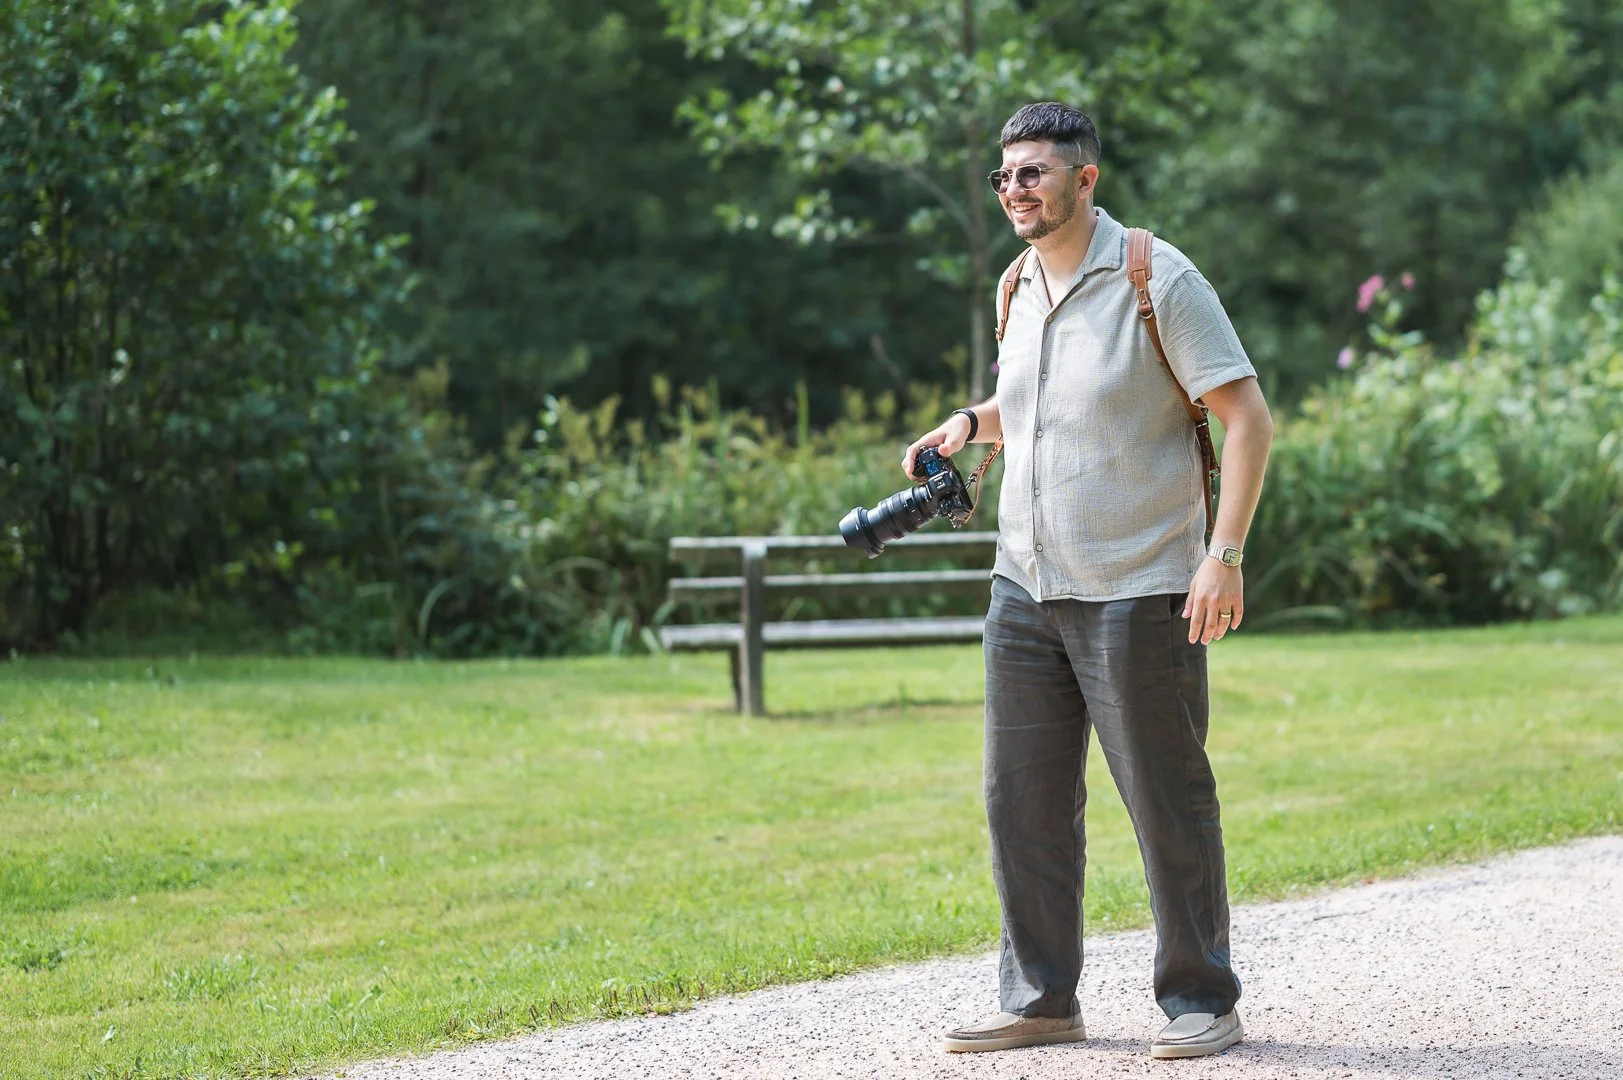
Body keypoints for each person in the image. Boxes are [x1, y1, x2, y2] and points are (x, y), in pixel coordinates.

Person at [903, 102, 1274, 1060]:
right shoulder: (1015, 284)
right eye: (1004, 175)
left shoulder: (1157, 276)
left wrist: (1221, 555)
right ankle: (1039, 999)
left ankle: (1200, 998)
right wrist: (969, 424)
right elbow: (1034, 401)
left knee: (1164, 796)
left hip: (1137, 584)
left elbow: (1246, 419)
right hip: (1023, 585)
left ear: (1084, 178)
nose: (1015, 189)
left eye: (1033, 172)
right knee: (1018, 800)